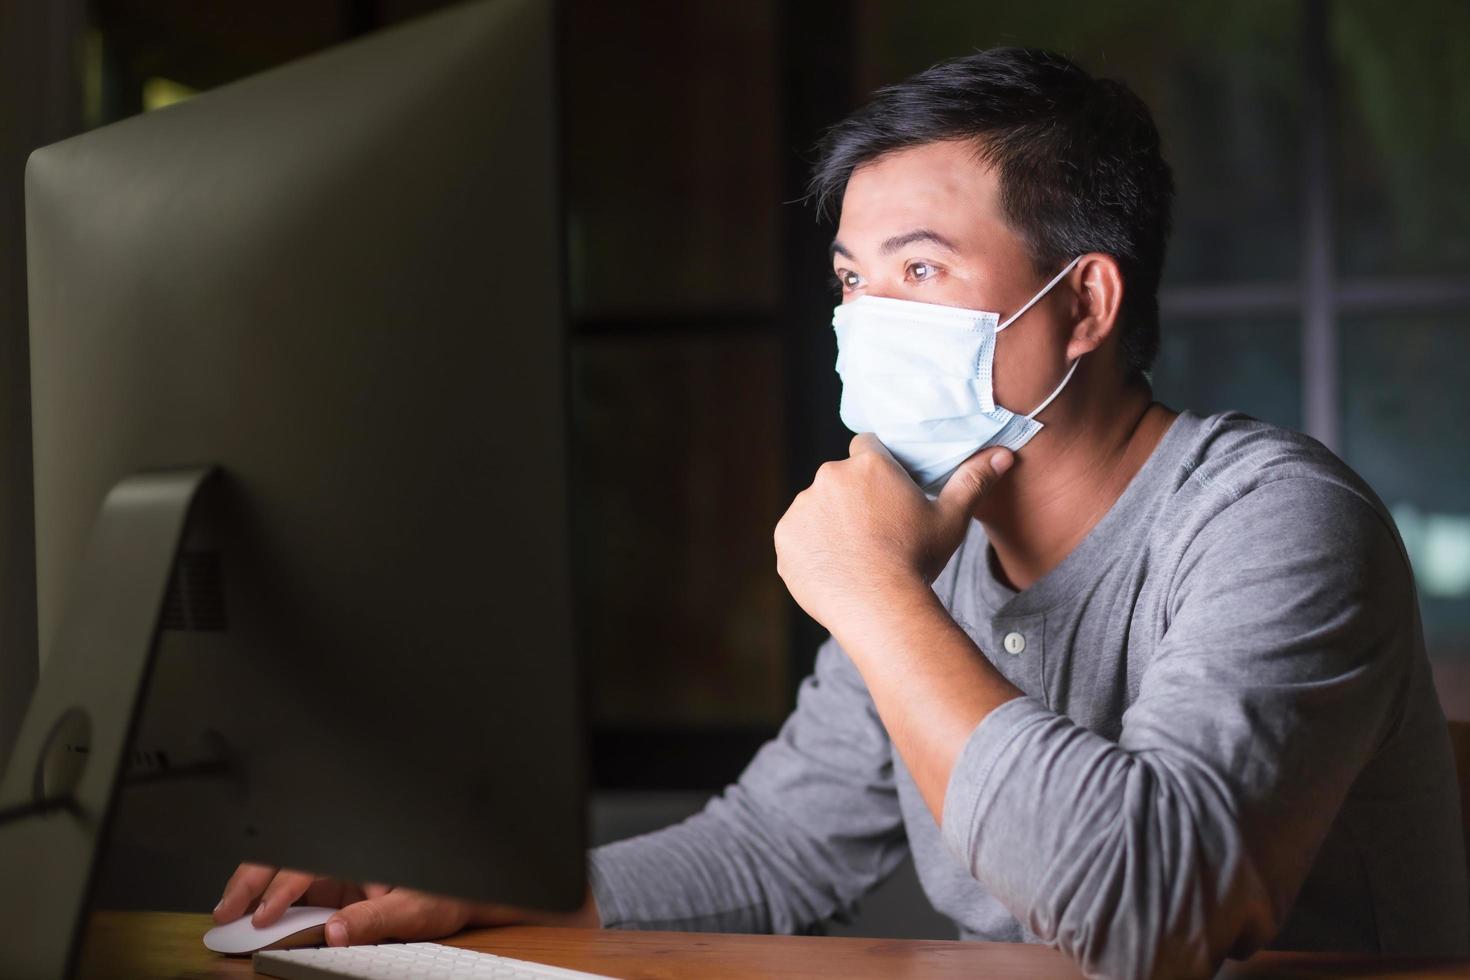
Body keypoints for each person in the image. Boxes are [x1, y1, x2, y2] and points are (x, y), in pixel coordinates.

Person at [213, 48, 1468, 979]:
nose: (866, 322)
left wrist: (871, 591)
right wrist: (491, 890)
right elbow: (773, 847)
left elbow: (1156, 906)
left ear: (1084, 306)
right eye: (852, 283)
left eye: (920, 270)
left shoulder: (1276, 518)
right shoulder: (943, 539)